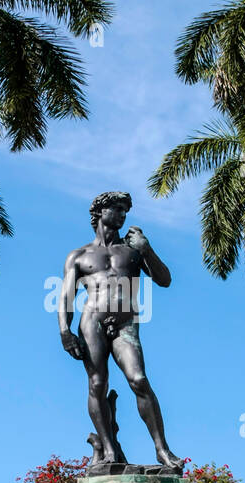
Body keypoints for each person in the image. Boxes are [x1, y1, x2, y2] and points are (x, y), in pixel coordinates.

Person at [58, 191, 182, 469]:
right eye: (117, 209)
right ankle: (109, 449)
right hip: (93, 321)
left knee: (138, 379)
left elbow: (165, 280)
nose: (123, 215)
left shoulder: (133, 250)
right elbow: (66, 297)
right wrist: (65, 331)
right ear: (100, 212)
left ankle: (162, 450)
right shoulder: (79, 256)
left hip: (126, 322)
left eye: (126, 210)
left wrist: (147, 249)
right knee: (97, 384)